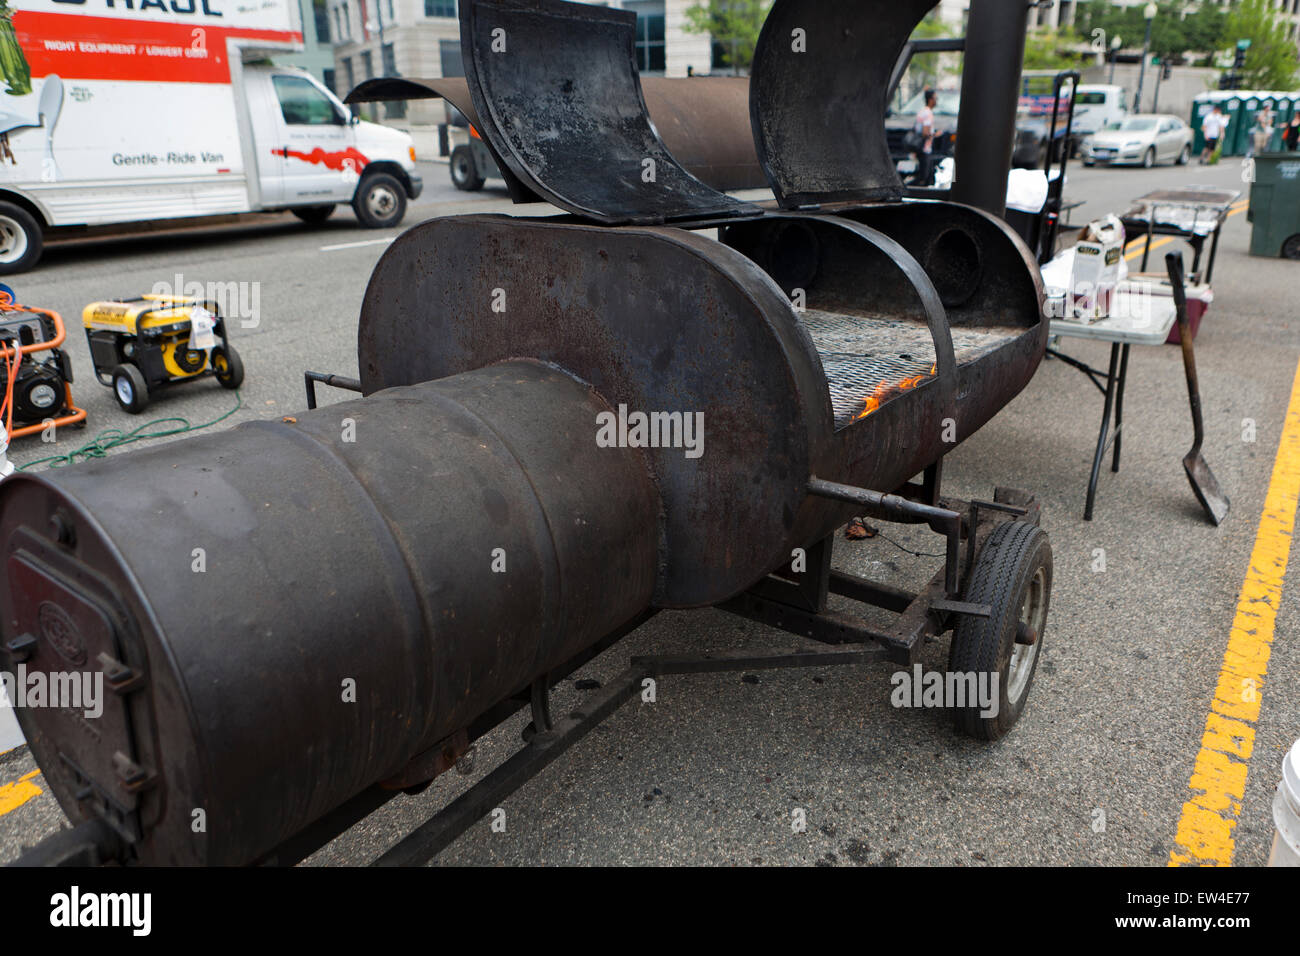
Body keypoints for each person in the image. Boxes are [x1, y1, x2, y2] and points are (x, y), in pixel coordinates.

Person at [912, 89, 937, 186]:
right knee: (923, 177)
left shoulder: (922, 112)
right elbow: (925, 133)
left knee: (928, 176)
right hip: (924, 148)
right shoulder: (928, 114)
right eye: (935, 98)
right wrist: (936, 134)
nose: (936, 101)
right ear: (930, 100)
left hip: (920, 148)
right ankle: (905, 190)